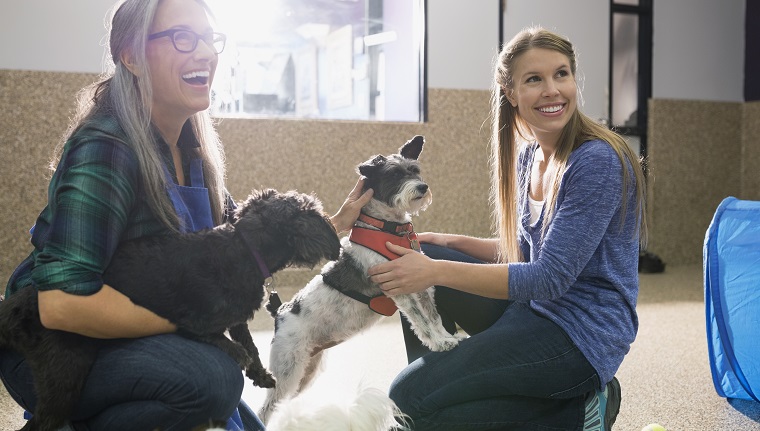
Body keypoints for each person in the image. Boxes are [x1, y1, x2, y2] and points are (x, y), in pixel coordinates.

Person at [0, 0, 372, 430]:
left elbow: (243, 241)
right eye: (183, 37)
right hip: (50, 342)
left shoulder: (192, 150)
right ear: (131, 57)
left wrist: (333, 227)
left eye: (210, 38)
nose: (206, 53)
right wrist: (196, 324)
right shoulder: (106, 149)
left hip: (120, 332)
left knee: (213, 376)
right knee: (209, 378)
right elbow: (62, 307)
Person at [368, 27, 647, 431]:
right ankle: (438, 398)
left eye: (561, 74)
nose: (552, 89)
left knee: (405, 399)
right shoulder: (530, 154)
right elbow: (525, 249)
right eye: (534, 79)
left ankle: (582, 411)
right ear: (511, 93)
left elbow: (548, 277)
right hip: (533, 311)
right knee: (422, 278)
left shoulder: (597, 161)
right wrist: (445, 243)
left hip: (581, 338)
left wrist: (435, 269)